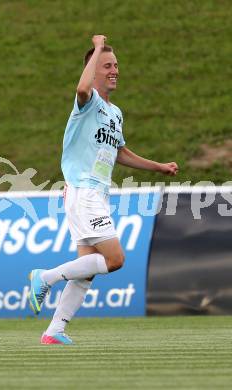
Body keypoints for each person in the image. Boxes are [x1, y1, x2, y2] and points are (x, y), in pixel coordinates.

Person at [28, 35, 178, 345]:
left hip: (95, 193)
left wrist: (158, 166)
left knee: (86, 271)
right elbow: (82, 89)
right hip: (84, 191)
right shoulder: (88, 103)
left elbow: (120, 152)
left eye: (116, 65)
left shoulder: (115, 113)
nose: (115, 70)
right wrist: (97, 48)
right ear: (94, 69)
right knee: (115, 260)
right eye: (107, 65)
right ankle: (45, 277)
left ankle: (54, 330)